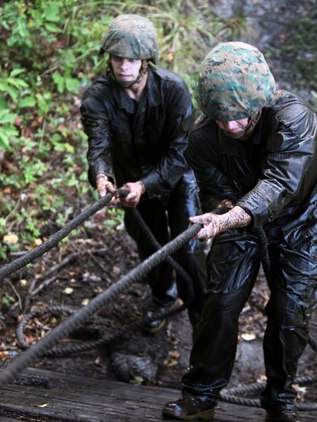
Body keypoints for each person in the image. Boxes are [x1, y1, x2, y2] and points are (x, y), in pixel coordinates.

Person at [162, 42, 317, 422]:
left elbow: (282, 183)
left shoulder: (296, 119)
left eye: (240, 116)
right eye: (220, 117)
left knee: (290, 309)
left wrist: (232, 216)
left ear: (260, 100)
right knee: (220, 300)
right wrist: (224, 215)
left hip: (304, 216)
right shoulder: (201, 139)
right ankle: (201, 394)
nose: (230, 126)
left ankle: (280, 398)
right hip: (238, 218)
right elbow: (219, 194)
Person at [80, 14, 205, 333]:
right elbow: (98, 146)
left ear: (146, 61)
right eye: (118, 58)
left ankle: (201, 310)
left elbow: (180, 152)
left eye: (132, 59)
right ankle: (163, 299)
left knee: (189, 248)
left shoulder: (174, 90)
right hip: (131, 183)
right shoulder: (97, 98)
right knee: (150, 248)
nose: (124, 65)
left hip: (176, 180)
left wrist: (146, 184)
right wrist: (102, 178)